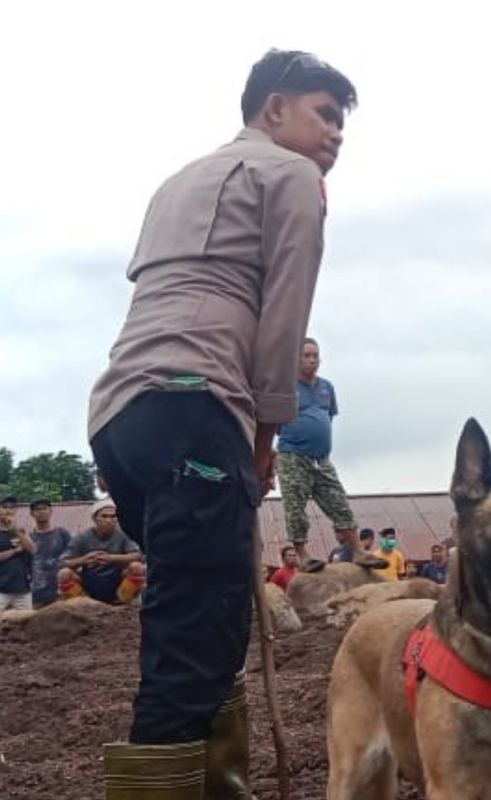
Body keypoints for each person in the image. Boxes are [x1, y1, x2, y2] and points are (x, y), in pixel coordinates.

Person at [85, 48, 357, 797]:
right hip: (197, 405)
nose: (336, 134)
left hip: (120, 412)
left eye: (342, 123)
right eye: (323, 114)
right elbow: (283, 316)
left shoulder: (181, 178)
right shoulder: (293, 176)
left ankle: (216, 782)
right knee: (196, 632)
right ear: (273, 110)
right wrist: (265, 436)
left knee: (195, 610)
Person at [276, 337, 363, 569]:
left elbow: (329, 416)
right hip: (293, 456)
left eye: (315, 355)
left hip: (321, 458)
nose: (312, 360)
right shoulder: (285, 387)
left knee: (339, 501)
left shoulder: (327, 387)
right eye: (307, 355)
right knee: (296, 508)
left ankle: (358, 551)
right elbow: (272, 422)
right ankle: (303, 556)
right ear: (295, 359)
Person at [58, 499, 146, 605]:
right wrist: (84, 560)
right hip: (89, 580)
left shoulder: (123, 534)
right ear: (95, 518)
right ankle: (84, 605)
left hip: (116, 580)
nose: (109, 520)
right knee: (64, 574)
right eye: (104, 516)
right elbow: (63, 562)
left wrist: (112, 558)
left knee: (137, 567)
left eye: (113, 516)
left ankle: (121, 603)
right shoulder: (82, 537)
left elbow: (139, 556)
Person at [0, 494, 36, 621]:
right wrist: (14, 551)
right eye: (4, 507)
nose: (8, 511)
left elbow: (33, 550)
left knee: (28, 625)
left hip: (22, 589)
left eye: (12, 507)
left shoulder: (21, 532)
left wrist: (16, 531)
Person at [28, 498, 74, 608]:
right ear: (31, 513)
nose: (41, 512)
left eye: (44, 508)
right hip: (36, 592)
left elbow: (73, 555)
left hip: (60, 591)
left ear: (51, 511)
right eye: (37, 509)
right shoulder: (29, 539)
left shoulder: (62, 534)